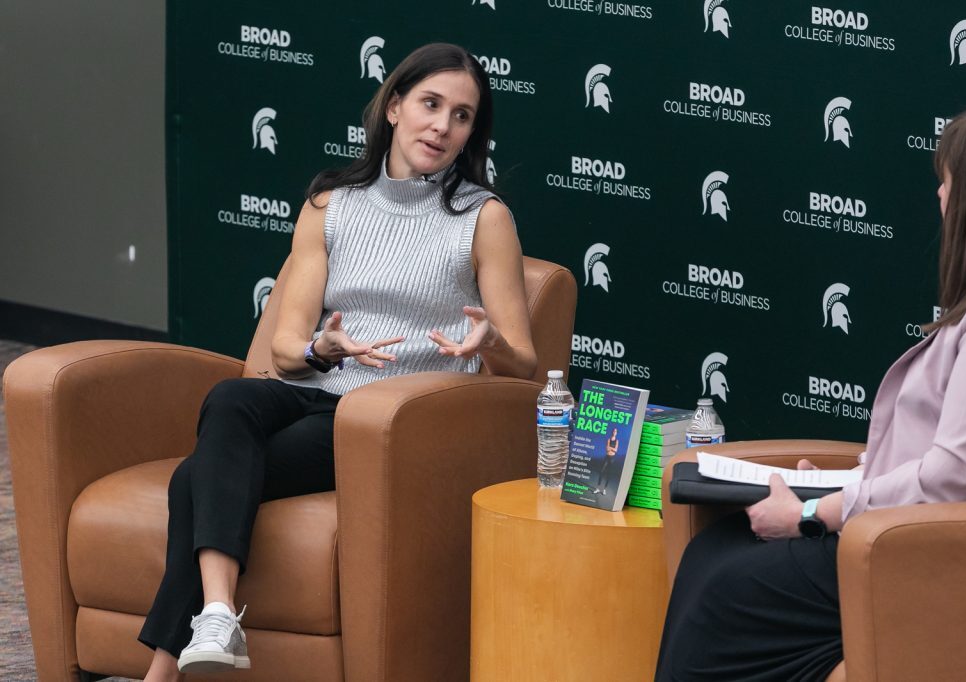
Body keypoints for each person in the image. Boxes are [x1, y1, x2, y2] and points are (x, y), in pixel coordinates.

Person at [138, 42, 537, 680]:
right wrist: (321, 347)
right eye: (430, 104)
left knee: (194, 479)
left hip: (399, 420)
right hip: (325, 390)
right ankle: (216, 616)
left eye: (461, 116)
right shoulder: (332, 203)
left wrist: (488, 344)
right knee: (232, 397)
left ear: (471, 134)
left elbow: (524, 367)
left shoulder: (483, 218)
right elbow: (284, 348)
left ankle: (167, 667)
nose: (442, 125)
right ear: (395, 105)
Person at [656, 103, 966, 681]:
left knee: (728, 589)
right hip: (905, 531)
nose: (940, 199)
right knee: (713, 553)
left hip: (944, 551)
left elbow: (957, 474)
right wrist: (846, 481)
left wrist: (812, 511)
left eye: (947, 183)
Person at [595, 427, 620, 494]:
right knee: (601, 471)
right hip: (607, 456)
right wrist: (612, 449)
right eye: (613, 431)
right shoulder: (609, 439)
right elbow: (607, 449)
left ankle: (604, 490)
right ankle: (597, 488)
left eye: (616, 431)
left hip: (612, 458)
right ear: (612, 432)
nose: (614, 432)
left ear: (616, 433)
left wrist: (611, 448)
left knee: (609, 474)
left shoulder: (617, 441)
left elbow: (616, 450)